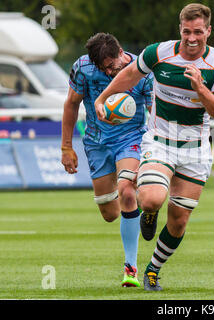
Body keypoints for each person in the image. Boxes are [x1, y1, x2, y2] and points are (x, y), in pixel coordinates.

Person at [94, 4, 214, 291]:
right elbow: (130, 74)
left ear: (208, 31)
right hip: (159, 142)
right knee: (152, 199)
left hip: (195, 150)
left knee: (180, 220)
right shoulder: (159, 53)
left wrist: (201, 89)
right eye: (186, 32)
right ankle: (148, 213)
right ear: (179, 29)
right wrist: (102, 99)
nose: (192, 38)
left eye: (198, 32)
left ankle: (153, 270)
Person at [61, 33, 153, 287]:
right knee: (110, 213)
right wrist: (66, 146)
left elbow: (155, 111)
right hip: (96, 142)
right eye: (106, 69)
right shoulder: (83, 68)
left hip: (131, 139)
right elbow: (71, 104)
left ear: (122, 51)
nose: (112, 72)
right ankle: (139, 208)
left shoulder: (142, 69)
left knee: (127, 191)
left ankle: (130, 269)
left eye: (114, 65)